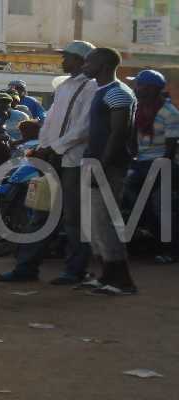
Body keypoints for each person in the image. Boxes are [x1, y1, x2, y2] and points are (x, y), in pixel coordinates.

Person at [0, 41, 98, 284]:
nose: (63, 61)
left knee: (73, 219)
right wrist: (42, 147)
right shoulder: (64, 87)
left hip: (74, 160)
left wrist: (54, 148)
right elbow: (50, 122)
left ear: (81, 60)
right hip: (52, 158)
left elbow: (84, 128)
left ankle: (75, 271)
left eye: (68, 57)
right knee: (40, 213)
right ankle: (26, 268)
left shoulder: (92, 88)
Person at [78, 48, 138, 296]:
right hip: (95, 162)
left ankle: (122, 281)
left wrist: (101, 166)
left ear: (102, 64)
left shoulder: (117, 93)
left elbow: (118, 133)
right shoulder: (103, 91)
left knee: (105, 223)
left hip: (107, 166)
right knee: (94, 225)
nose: (84, 65)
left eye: (89, 61)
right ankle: (105, 276)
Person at [125, 69, 179, 264]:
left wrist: (159, 172)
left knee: (160, 207)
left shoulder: (169, 112)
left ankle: (171, 250)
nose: (135, 88)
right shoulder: (138, 109)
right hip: (142, 163)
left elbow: (171, 148)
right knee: (130, 197)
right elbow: (133, 140)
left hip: (162, 164)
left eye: (138, 85)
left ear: (151, 88)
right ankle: (149, 238)